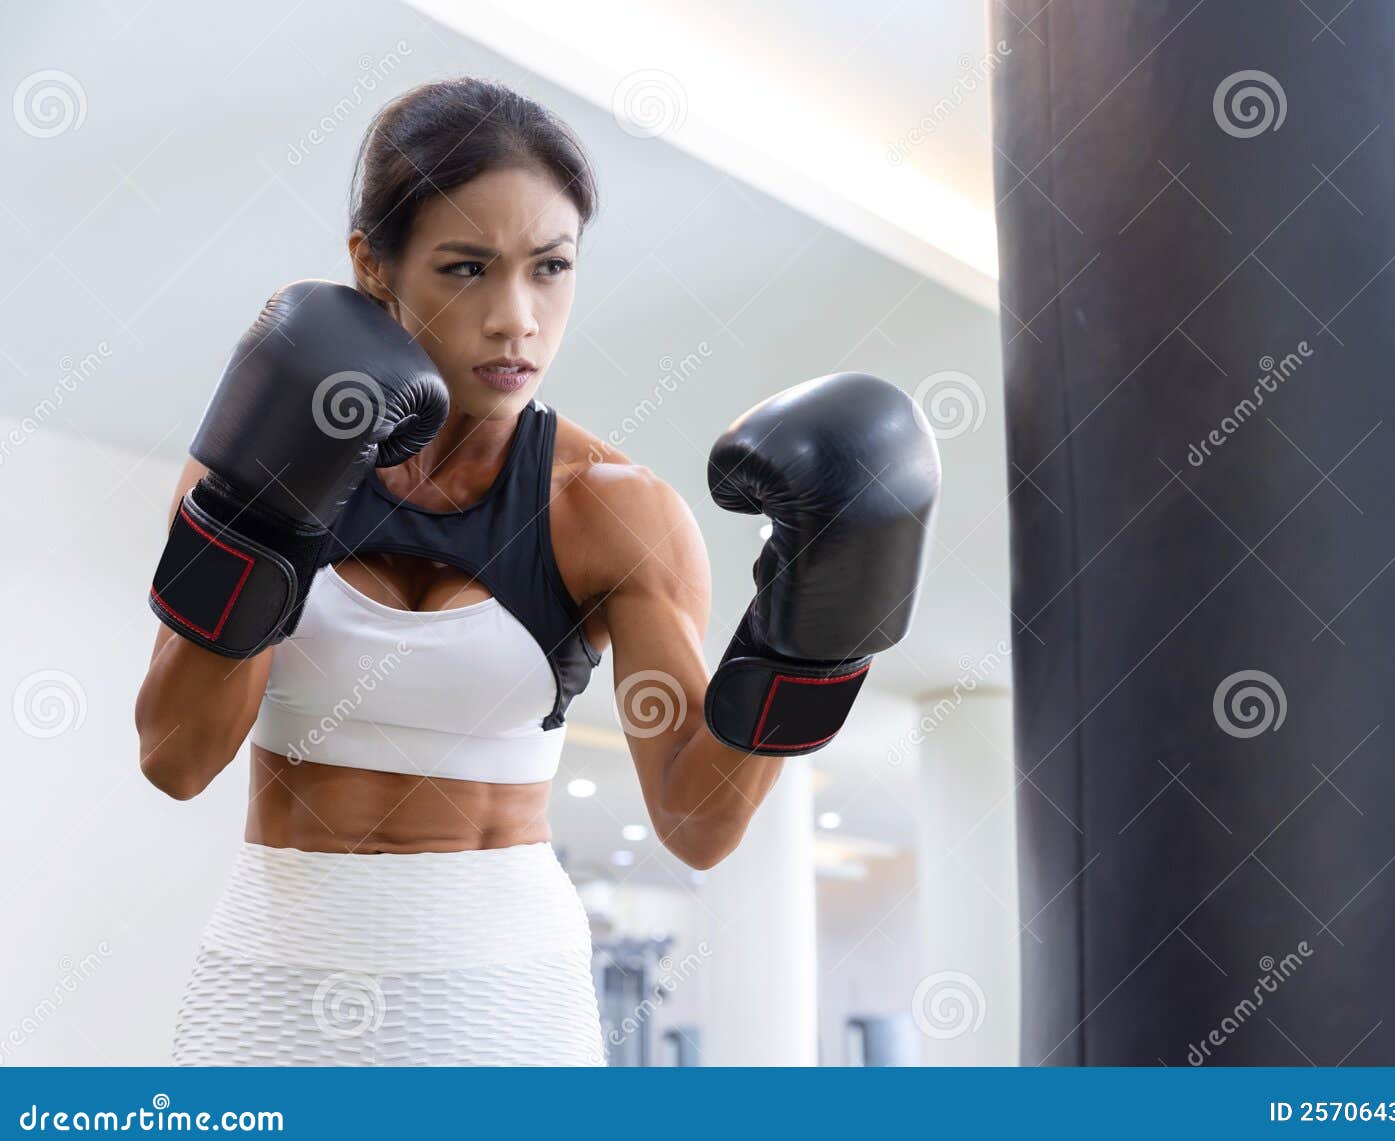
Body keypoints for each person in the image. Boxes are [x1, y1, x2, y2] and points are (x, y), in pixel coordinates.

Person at [134, 76, 939, 1066]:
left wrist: (816, 631)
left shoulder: (611, 510)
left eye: (549, 268)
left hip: (502, 991)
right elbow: (176, 756)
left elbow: (696, 820)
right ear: (372, 267)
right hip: (273, 973)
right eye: (467, 268)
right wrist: (263, 511)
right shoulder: (259, 450)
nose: (516, 318)